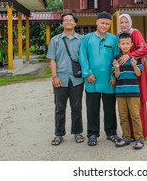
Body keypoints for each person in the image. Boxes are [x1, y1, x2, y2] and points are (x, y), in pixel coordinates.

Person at [79, 11, 120, 146]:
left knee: (109, 108)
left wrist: (113, 75)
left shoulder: (114, 39)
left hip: (109, 80)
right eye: (102, 23)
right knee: (92, 108)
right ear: (97, 23)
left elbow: (117, 58)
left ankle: (111, 132)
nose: (104, 25)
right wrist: (87, 73)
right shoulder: (87, 39)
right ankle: (92, 134)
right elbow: (83, 57)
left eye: (107, 24)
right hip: (92, 80)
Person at [46, 12, 84, 146]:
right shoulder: (55, 40)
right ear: (62, 23)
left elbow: (85, 59)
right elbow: (52, 59)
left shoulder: (81, 40)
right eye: (66, 20)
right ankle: (59, 134)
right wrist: (54, 76)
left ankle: (77, 132)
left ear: (75, 23)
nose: (68, 22)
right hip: (60, 79)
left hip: (77, 79)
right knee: (59, 108)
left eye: (71, 20)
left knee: (77, 107)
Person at [117, 13, 147, 139]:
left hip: (137, 70)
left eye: (126, 22)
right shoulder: (119, 36)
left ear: (130, 22)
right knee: (125, 106)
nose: (124, 24)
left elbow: (144, 49)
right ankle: (128, 134)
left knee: (138, 101)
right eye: (121, 22)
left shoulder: (135, 33)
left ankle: (140, 133)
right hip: (123, 74)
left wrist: (129, 55)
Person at [112, 33, 144, 150]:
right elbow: (117, 76)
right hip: (120, 92)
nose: (125, 46)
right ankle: (126, 137)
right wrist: (116, 67)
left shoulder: (136, 58)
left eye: (127, 44)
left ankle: (139, 139)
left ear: (131, 44)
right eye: (122, 44)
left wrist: (135, 65)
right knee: (123, 116)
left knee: (135, 116)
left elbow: (138, 74)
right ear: (119, 45)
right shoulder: (116, 58)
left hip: (134, 92)